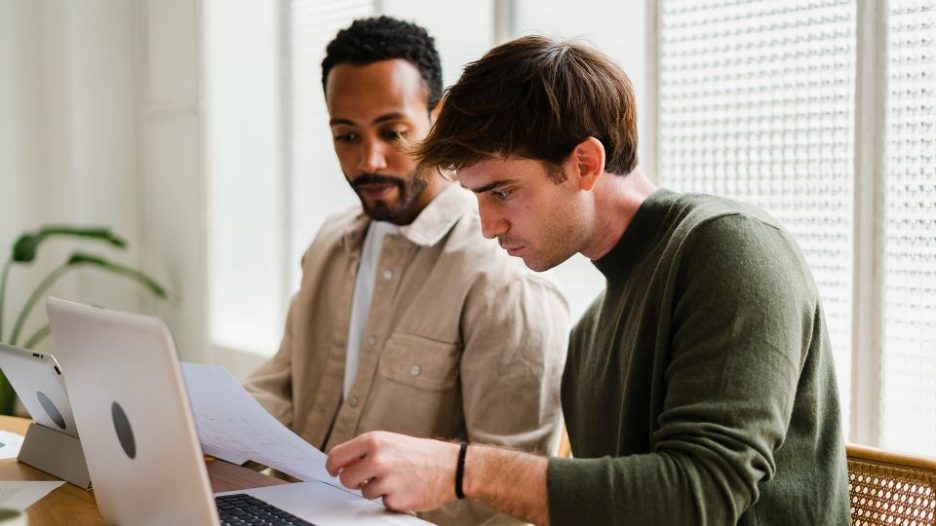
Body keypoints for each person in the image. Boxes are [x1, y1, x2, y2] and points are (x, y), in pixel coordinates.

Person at [324, 35, 851, 525]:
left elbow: (702, 496)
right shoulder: (590, 333)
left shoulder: (732, 247)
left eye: (502, 192)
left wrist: (460, 470)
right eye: (476, 196)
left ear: (585, 163)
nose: (487, 226)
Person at [244, 20, 570, 525]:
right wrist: (192, 430)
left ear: (437, 121)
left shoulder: (504, 278)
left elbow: (512, 498)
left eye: (393, 132)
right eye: (346, 135)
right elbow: (282, 385)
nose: (368, 160)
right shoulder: (331, 244)